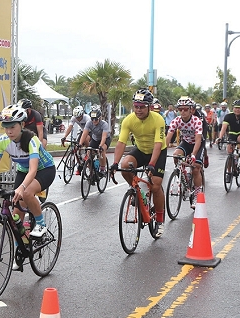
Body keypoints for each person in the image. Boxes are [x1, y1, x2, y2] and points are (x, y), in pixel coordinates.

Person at [0, 104, 56, 243]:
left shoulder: (32, 140)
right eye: (6, 127)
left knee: (27, 193)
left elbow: (33, 170)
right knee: (16, 217)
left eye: (12, 127)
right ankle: (19, 252)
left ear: (22, 124)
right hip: (23, 171)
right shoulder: (2, 141)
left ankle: (41, 224)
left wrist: (22, 187)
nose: (9, 131)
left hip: (45, 169)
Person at [110, 89, 167, 238]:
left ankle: (160, 221)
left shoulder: (158, 119)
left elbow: (157, 144)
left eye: (142, 107)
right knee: (125, 166)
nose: (138, 110)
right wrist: (115, 163)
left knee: (155, 185)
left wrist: (152, 164)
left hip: (158, 151)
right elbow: (121, 142)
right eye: (136, 106)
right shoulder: (129, 120)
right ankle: (138, 191)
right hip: (141, 150)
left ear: (149, 107)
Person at [166, 96, 203, 207]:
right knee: (176, 156)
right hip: (186, 143)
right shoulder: (176, 121)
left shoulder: (197, 121)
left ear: (191, 110)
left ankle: (197, 193)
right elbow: (168, 138)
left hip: (197, 144)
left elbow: (198, 140)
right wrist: (161, 151)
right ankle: (183, 175)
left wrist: (193, 155)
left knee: (196, 168)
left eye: (185, 109)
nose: (182, 111)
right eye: (180, 109)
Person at [218, 99, 240, 166]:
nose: (237, 110)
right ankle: (229, 172)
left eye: (239, 108)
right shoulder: (228, 116)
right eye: (235, 108)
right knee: (230, 153)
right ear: (233, 108)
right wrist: (220, 138)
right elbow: (223, 128)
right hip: (232, 133)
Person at [79, 107, 110, 173]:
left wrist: (100, 146)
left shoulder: (104, 124)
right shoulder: (89, 123)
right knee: (89, 153)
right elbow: (84, 134)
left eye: (96, 119)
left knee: (101, 151)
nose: (94, 121)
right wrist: (80, 144)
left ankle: (102, 168)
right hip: (95, 139)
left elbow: (104, 137)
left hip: (105, 139)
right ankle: (91, 172)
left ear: (100, 118)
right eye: (92, 119)